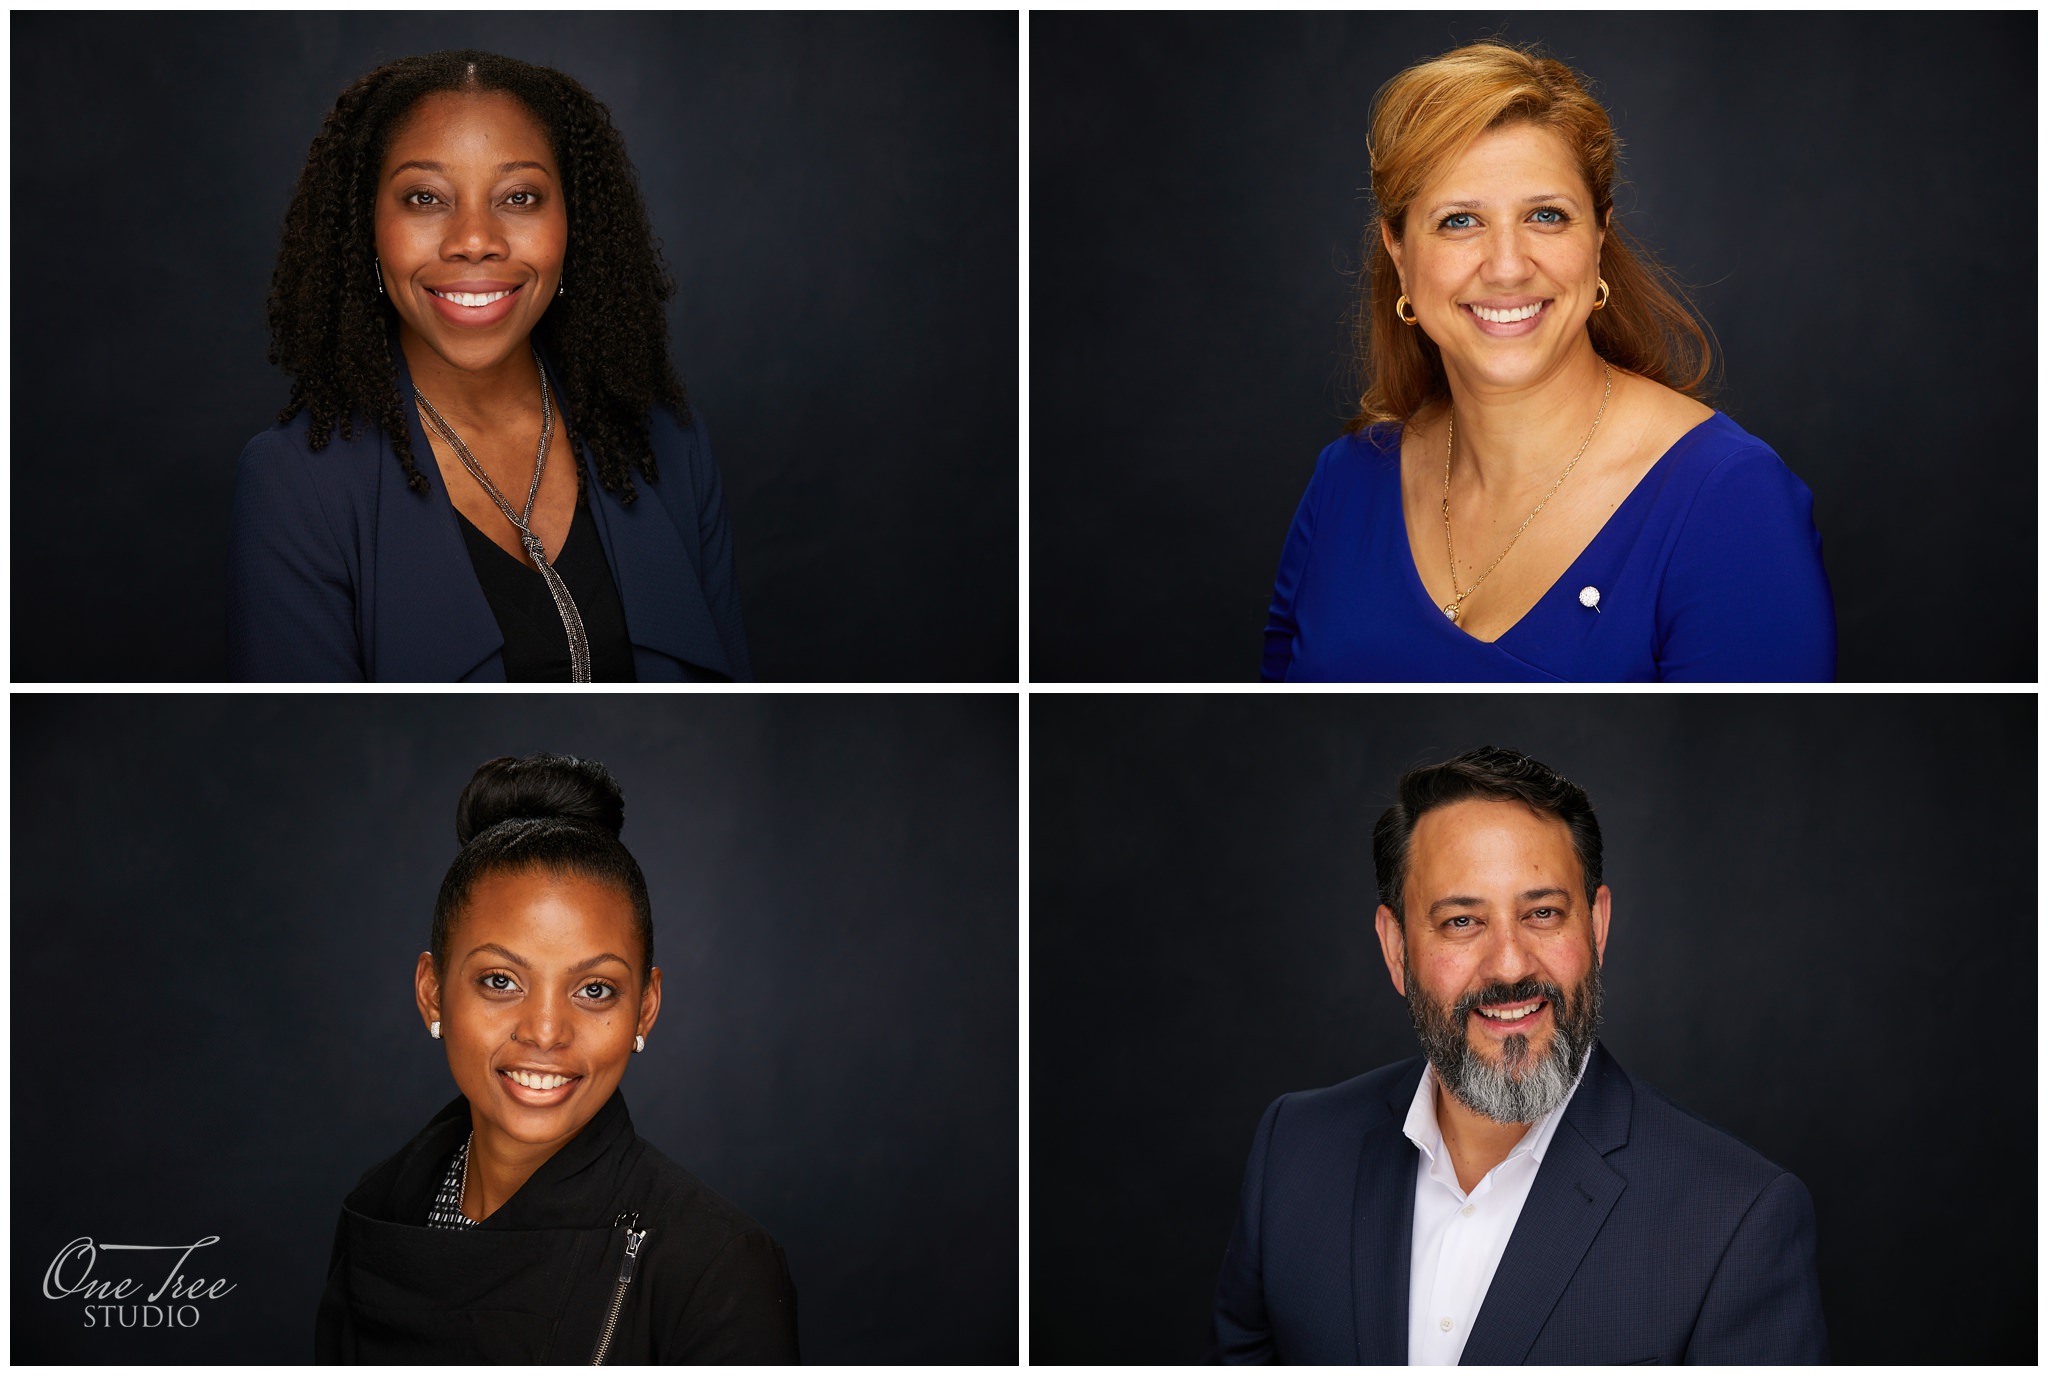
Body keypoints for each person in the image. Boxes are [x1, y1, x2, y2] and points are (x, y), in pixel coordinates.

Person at [1208, 746, 1827, 1363]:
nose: (1510, 963)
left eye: (1543, 913)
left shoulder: (1738, 1221)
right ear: (1397, 949)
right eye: (1461, 922)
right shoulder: (1293, 1151)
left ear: (1597, 927)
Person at [1262, 42, 1835, 681]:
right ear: (1398, 250)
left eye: (1546, 216)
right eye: (1457, 221)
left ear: (1598, 237)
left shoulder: (1729, 498)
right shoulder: (1345, 479)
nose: (1507, 266)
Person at [231, 51, 750, 681]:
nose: (474, 239)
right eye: (425, 197)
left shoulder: (670, 444)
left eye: (519, 196)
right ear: (365, 228)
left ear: (573, 224)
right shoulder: (295, 485)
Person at [315, 754, 797, 1362]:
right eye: (500, 981)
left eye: (594, 989)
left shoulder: (713, 1267)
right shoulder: (380, 1208)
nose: (545, 1032)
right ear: (432, 991)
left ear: (644, 1008)